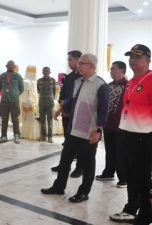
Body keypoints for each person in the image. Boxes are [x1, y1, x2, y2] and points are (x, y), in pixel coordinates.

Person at [41, 53, 109, 203]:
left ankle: (84, 192)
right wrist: (60, 108)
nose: (78, 66)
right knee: (65, 160)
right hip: (73, 128)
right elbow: (74, 100)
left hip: (89, 132)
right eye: (78, 63)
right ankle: (59, 186)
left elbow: (104, 109)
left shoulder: (101, 85)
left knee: (88, 163)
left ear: (91, 66)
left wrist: (98, 130)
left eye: (81, 63)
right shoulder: (78, 81)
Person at [111, 44, 152, 225]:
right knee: (129, 175)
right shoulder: (131, 81)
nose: (133, 60)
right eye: (131, 57)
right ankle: (131, 208)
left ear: (148, 59)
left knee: (142, 178)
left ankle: (146, 214)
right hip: (127, 134)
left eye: (138, 57)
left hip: (144, 136)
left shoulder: (151, 80)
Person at [51, 50, 83, 178]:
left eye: (70, 60)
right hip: (66, 114)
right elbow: (63, 95)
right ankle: (64, 165)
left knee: (79, 143)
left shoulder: (83, 77)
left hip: (78, 115)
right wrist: (60, 110)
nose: (69, 62)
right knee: (68, 142)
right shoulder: (69, 77)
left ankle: (80, 168)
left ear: (78, 60)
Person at [95, 61, 127, 188]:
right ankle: (108, 172)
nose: (111, 71)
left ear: (122, 71)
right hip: (108, 124)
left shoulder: (128, 86)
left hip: (121, 126)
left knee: (121, 152)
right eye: (110, 69)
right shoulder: (107, 86)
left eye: (114, 69)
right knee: (110, 150)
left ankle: (123, 178)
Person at [0, 60, 24, 144]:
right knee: (4, 119)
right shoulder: (2, 76)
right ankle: (3, 136)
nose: (10, 66)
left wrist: (15, 94)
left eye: (12, 65)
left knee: (15, 119)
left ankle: (16, 135)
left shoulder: (18, 76)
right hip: (4, 100)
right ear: (6, 66)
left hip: (14, 101)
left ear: (14, 66)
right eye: (9, 65)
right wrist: (4, 93)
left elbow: (21, 88)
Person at [37, 67, 56, 143]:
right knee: (42, 121)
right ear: (42, 72)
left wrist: (51, 98)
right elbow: (38, 90)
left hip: (50, 103)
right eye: (44, 71)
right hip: (41, 103)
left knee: (50, 120)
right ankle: (43, 136)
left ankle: (50, 137)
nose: (46, 72)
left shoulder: (53, 80)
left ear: (49, 72)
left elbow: (54, 91)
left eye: (47, 71)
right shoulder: (39, 81)